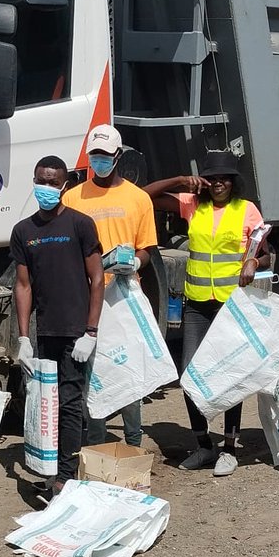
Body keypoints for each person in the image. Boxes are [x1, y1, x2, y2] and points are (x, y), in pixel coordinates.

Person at [145, 151, 268, 476]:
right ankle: (203, 444)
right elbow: (146, 196)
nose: (218, 183)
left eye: (225, 177)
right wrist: (180, 181)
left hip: (230, 306)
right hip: (197, 304)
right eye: (213, 177)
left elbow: (264, 253)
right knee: (189, 375)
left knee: (229, 374)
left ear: (233, 181)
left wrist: (254, 262)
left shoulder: (247, 210)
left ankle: (229, 447)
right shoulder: (191, 204)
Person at [11, 155, 105, 497]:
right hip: (46, 330)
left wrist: (90, 330)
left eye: (53, 182)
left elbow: (97, 279)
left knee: (68, 401)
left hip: (76, 332)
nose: (46, 187)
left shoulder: (80, 224)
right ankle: (52, 468)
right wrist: (23, 337)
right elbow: (23, 285)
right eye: (41, 180)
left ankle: (65, 476)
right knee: (45, 402)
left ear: (65, 185)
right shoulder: (24, 231)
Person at [61, 124, 157, 448]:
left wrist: (135, 263)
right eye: (94, 156)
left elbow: (147, 247)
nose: (99, 162)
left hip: (126, 294)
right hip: (88, 295)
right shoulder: (73, 198)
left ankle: (133, 445)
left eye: (104, 156)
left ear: (117, 157)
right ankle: (98, 444)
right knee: (94, 373)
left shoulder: (138, 198)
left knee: (127, 370)